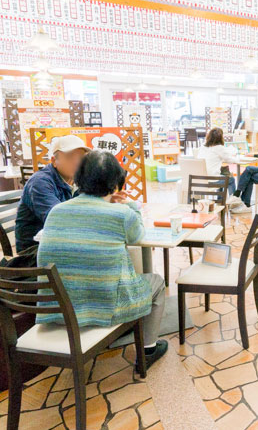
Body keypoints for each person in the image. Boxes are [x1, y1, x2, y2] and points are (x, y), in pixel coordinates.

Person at [36, 150, 168, 368]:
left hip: (57, 308)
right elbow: (138, 236)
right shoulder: (121, 214)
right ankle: (148, 350)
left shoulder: (56, 212)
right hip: (105, 308)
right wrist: (129, 205)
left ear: (79, 179)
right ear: (115, 183)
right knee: (156, 282)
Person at [15, 135, 89, 252]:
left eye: (80, 157)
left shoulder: (78, 180)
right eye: (70, 157)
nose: (76, 162)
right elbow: (57, 218)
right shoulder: (40, 182)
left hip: (62, 241)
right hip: (35, 249)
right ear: (54, 161)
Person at [197, 127, 237, 194]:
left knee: (221, 174)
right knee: (231, 180)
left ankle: (220, 199)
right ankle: (234, 200)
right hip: (211, 181)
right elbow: (230, 160)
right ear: (221, 137)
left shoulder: (203, 146)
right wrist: (238, 158)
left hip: (199, 180)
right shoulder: (219, 148)